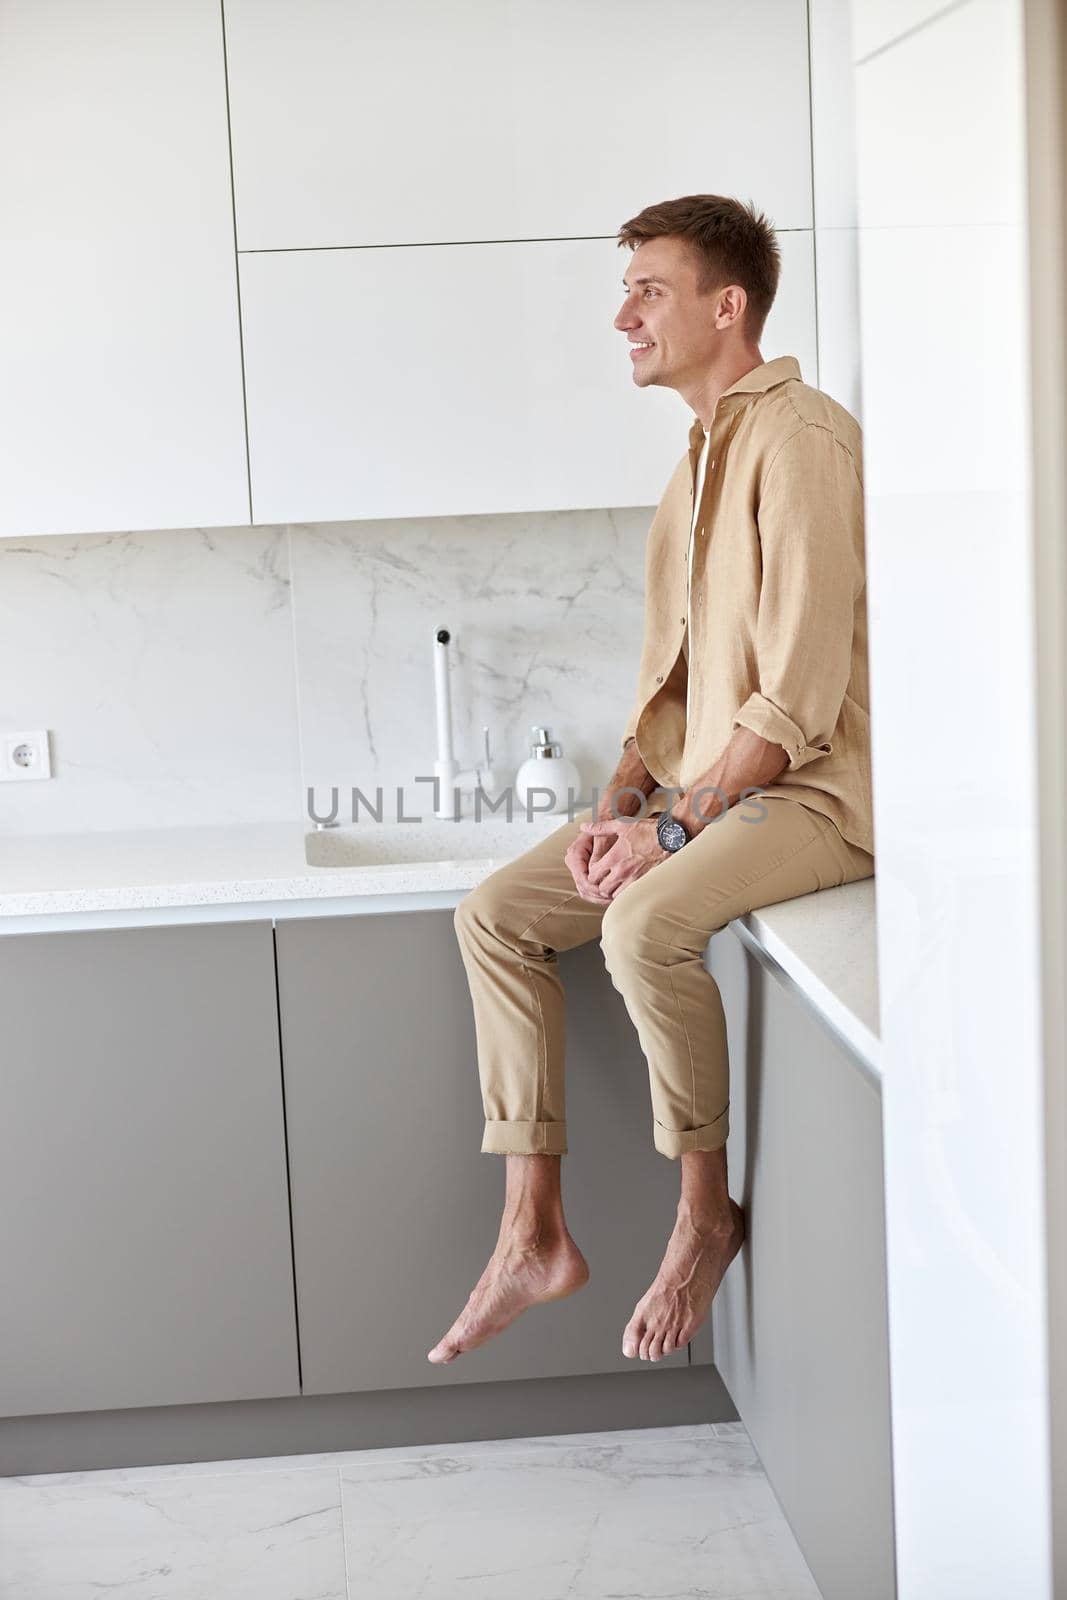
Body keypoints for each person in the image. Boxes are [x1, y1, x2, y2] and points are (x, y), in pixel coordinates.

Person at [427, 194, 874, 1367]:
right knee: (496, 917)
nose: (621, 314)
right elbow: (674, 682)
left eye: (648, 290)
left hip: (814, 794)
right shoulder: (697, 458)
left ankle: (701, 1215)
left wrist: (669, 839)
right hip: (706, 789)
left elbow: (796, 697)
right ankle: (531, 1229)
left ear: (726, 307)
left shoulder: (804, 440)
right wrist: (623, 800)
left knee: (639, 928)